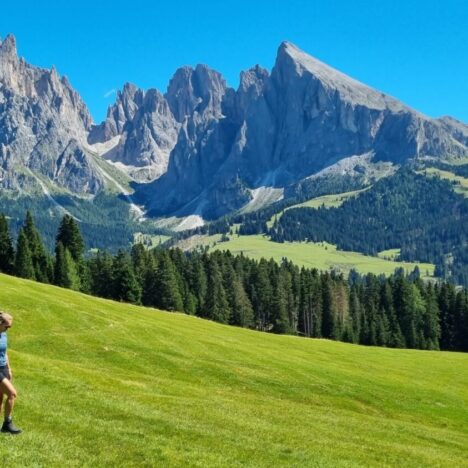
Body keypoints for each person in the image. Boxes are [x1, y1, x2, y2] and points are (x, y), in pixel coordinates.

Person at [0, 311, 22, 434]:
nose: (8, 329)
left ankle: (2, 428)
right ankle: (7, 424)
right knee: (12, 394)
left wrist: (8, 368)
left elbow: (5, 352)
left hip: (3, 367)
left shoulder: (4, 335)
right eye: (6, 326)